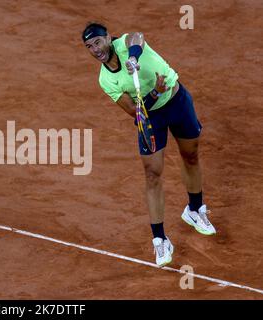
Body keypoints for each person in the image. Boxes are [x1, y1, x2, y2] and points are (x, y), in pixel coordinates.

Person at [82, 22, 216, 266]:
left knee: (191, 156)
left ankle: (195, 209)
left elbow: (138, 36)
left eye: (98, 42)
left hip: (176, 100)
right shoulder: (105, 80)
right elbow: (136, 112)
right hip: (150, 115)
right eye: (89, 46)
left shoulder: (124, 43)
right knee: (152, 174)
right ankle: (160, 240)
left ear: (109, 38)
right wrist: (154, 92)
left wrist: (133, 59)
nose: (95, 49)